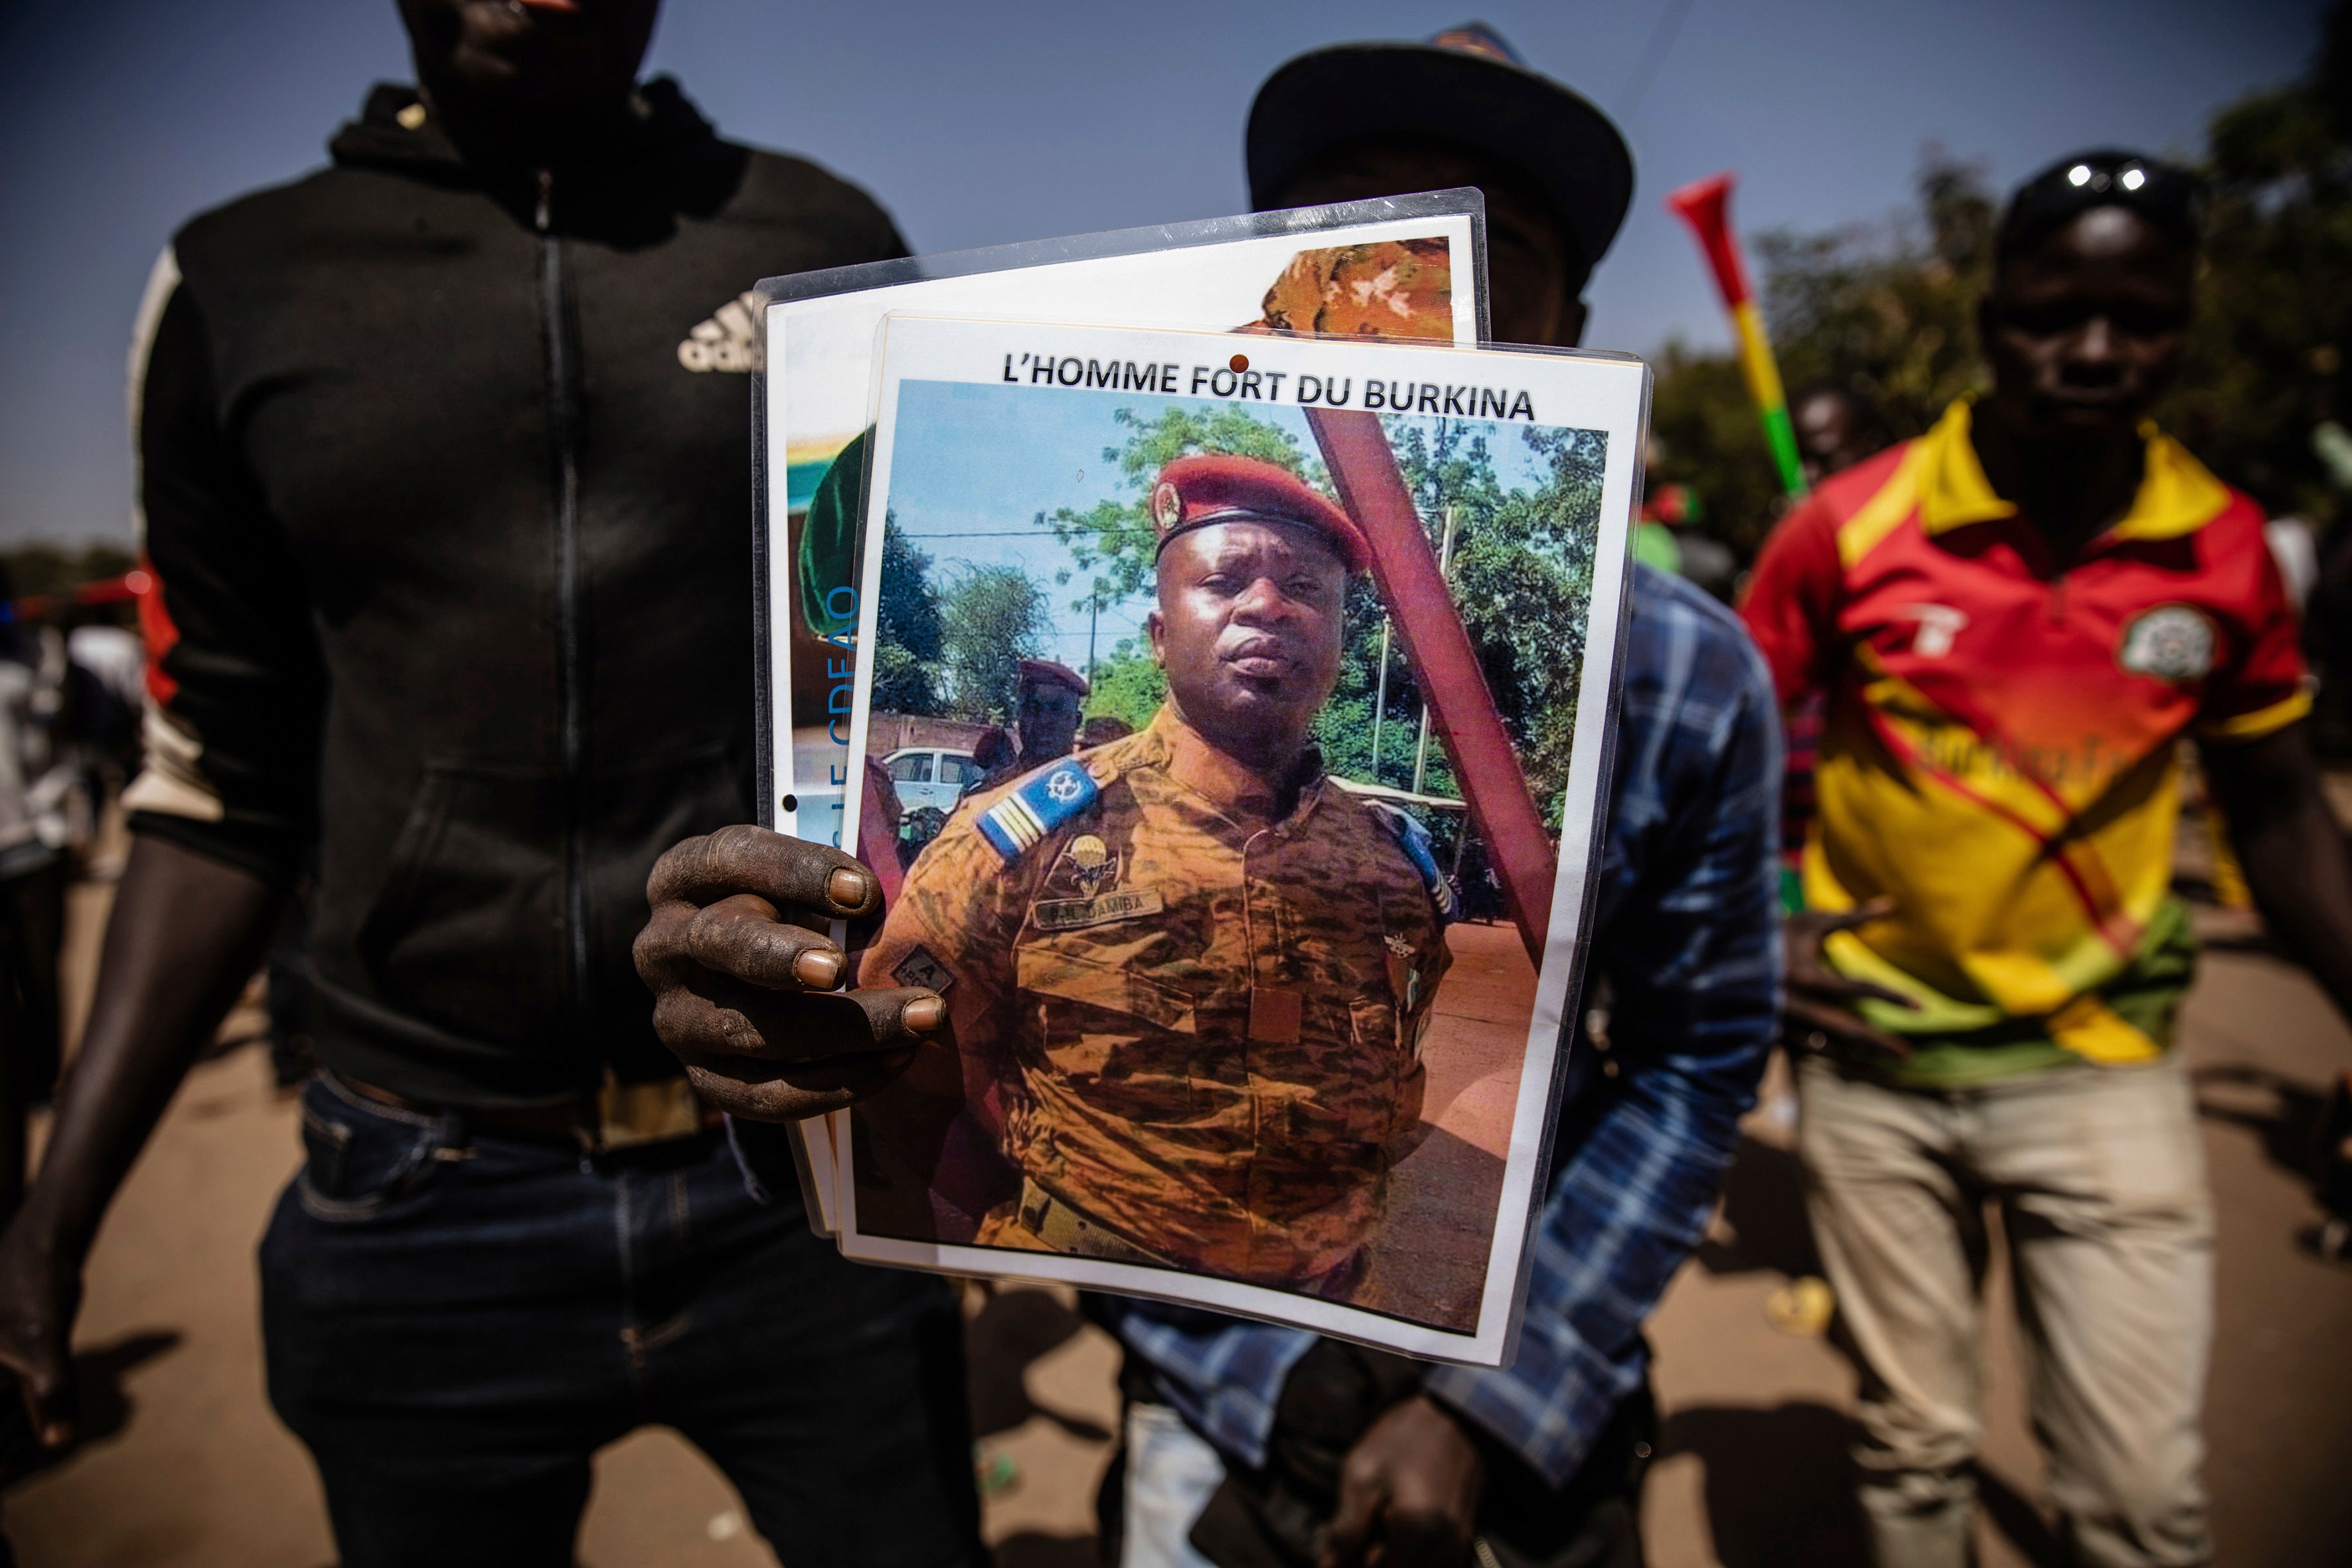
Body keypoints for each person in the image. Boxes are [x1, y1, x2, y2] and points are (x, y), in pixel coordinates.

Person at [0, 5, 980, 1565]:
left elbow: (899, 707)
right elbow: (218, 788)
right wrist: (50, 1221)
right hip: (417, 1180)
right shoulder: (237, 284)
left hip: (791, 1172)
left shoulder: (824, 240)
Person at [1094, 26, 1784, 1568]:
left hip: (1530, 1385)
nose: (1413, 297)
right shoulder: (1116, 773)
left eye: (1489, 247)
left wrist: (1497, 1403)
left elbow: (1695, 1055)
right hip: (1211, 1391)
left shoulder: (1684, 674)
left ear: (1568, 327)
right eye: (1360, 240)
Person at [1741, 149, 2352, 1568]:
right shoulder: (1845, 528)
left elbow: (2276, 809)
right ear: (1990, 313)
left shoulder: (2220, 550)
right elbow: (1729, 763)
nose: (2090, 350)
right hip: (1873, 1061)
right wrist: (1756, 933)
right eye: (2049, 312)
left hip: (2103, 1065)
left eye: (2136, 316)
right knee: (1913, 1448)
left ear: (2184, 322)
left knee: (2138, 1499)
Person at [853, 455, 1455, 1294]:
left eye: (1306, 589)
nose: (1268, 605)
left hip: (1332, 1328)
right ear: (1160, 634)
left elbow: (1394, 1099)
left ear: (1340, 641)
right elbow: (895, 1067)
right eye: (1226, 580)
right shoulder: (1023, 842)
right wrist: (1053, 1227)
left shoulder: (1395, 870)